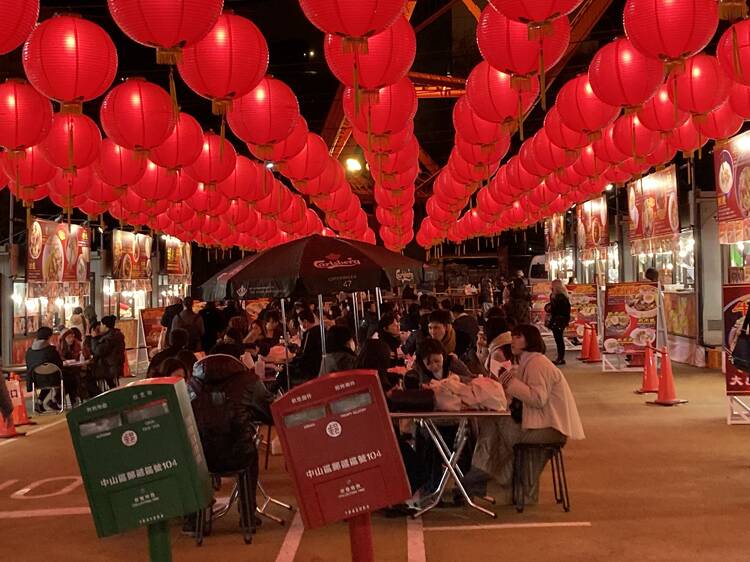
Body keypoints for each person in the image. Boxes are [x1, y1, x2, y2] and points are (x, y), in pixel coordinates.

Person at [462, 324, 584, 504]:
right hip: (543, 426)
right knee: (493, 426)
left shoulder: (537, 364)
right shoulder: (530, 362)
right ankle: (478, 478)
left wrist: (509, 382)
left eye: (518, 337)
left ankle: (477, 477)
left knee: (493, 424)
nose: (513, 341)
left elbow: (537, 398)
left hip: (549, 429)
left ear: (530, 340)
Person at [187, 354, 274, 536]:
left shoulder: (193, 384)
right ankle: (247, 516)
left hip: (202, 458)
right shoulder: (249, 381)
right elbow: (270, 413)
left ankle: (196, 520)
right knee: (249, 453)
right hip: (238, 455)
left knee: (194, 457)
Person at [25, 327, 64, 412]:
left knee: (46, 377)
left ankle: (40, 402)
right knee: (66, 376)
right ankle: (55, 400)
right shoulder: (51, 350)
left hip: (35, 380)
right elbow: (60, 364)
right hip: (51, 379)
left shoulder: (29, 351)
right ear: (49, 337)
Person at [92, 315, 126, 391]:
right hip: (114, 366)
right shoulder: (116, 335)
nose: (100, 327)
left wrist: (94, 338)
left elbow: (98, 351)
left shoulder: (109, 338)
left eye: (101, 324)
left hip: (108, 368)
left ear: (105, 325)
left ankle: (98, 396)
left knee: (88, 377)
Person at [289, 309, 323, 382]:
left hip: (310, 369)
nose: (300, 325)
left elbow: (304, 354)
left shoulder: (309, 333)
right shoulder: (321, 329)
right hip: (320, 365)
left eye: (300, 323)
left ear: (305, 322)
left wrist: (292, 359)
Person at [548, 280, 572, 365]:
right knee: (558, 339)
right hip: (561, 320)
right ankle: (560, 357)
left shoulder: (559, 297)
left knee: (559, 339)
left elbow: (557, 310)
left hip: (558, 320)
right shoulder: (562, 296)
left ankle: (560, 358)